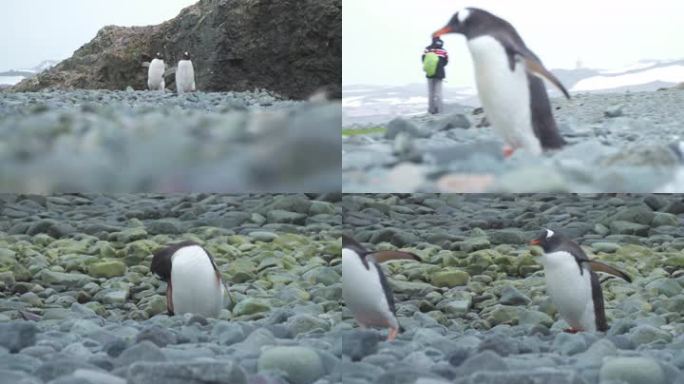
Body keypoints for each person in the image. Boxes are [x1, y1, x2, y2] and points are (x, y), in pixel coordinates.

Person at [422, 37, 449, 114]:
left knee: (431, 93)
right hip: (440, 73)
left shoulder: (427, 49)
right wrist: (439, 66)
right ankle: (440, 111)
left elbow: (423, 60)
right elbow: (446, 62)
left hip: (429, 73)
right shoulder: (443, 50)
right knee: (439, 93)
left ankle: (431, 110)